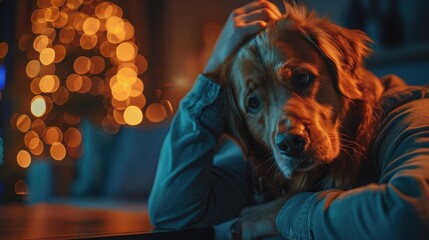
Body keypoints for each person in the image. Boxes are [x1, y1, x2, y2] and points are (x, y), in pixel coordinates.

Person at [149, 0, 429, 239]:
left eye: (302, 79)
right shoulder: (264, 168)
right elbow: (173, 213)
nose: (286, 132)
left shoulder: (408, 118)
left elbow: (412, 211)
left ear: (340, 70)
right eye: (254, 103)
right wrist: (210, 74)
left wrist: (282, 212)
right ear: (246, 131)